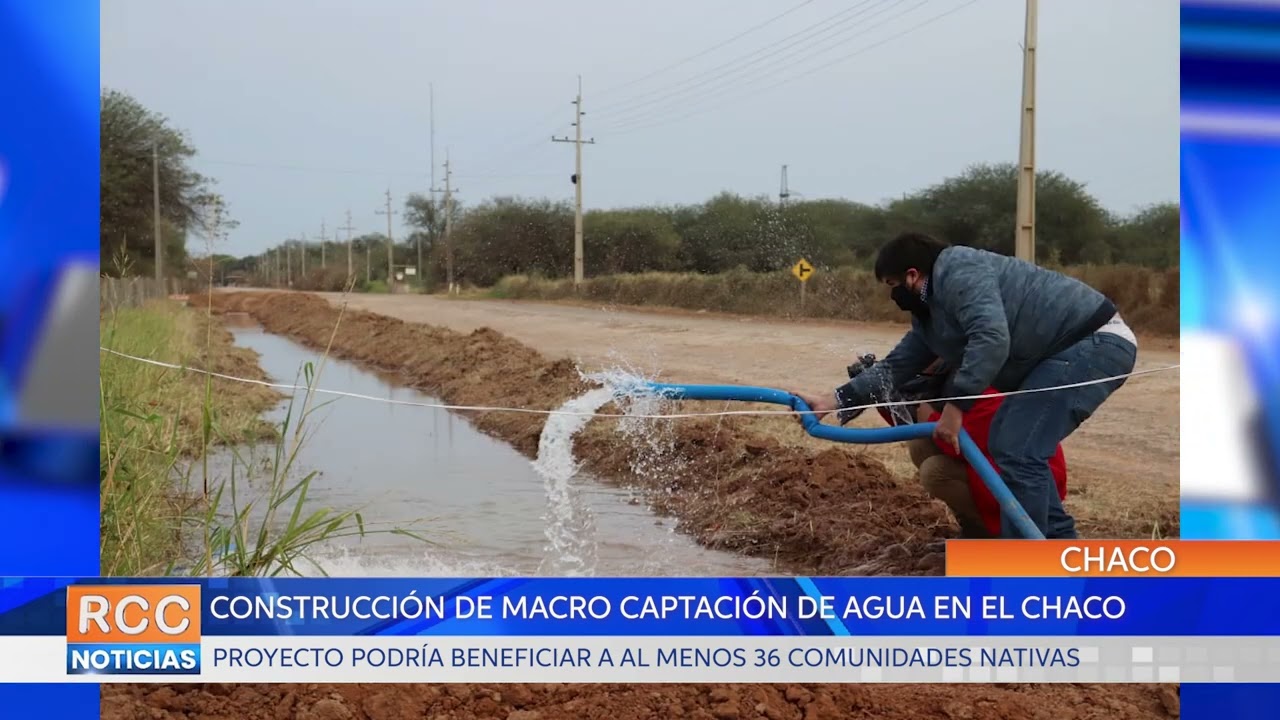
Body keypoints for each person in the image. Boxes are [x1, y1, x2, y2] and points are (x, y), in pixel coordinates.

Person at [797, 232, 1136, 539]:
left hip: (1093, 342)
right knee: (1013, 448)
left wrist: (956, 408)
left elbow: (990, 337)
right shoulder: (934, 314)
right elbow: (896, 367)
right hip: (1066, 352)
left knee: (1018, 449)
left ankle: (1029, 567)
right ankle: (1057, 552)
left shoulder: (958, 269)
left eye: (892, 285)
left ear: (912, 276)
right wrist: (834, 400)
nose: (893, 295)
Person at [854, 358, 1069, 539]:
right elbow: (909, 424)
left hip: (1028, 485)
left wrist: (928, 415)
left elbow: (955, 440)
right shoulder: (952, 377)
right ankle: (975, 529)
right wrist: (879, 396)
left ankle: (994, 535)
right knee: (920, 444)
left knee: (935, 472)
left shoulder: (982, 388)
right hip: (991, 466)